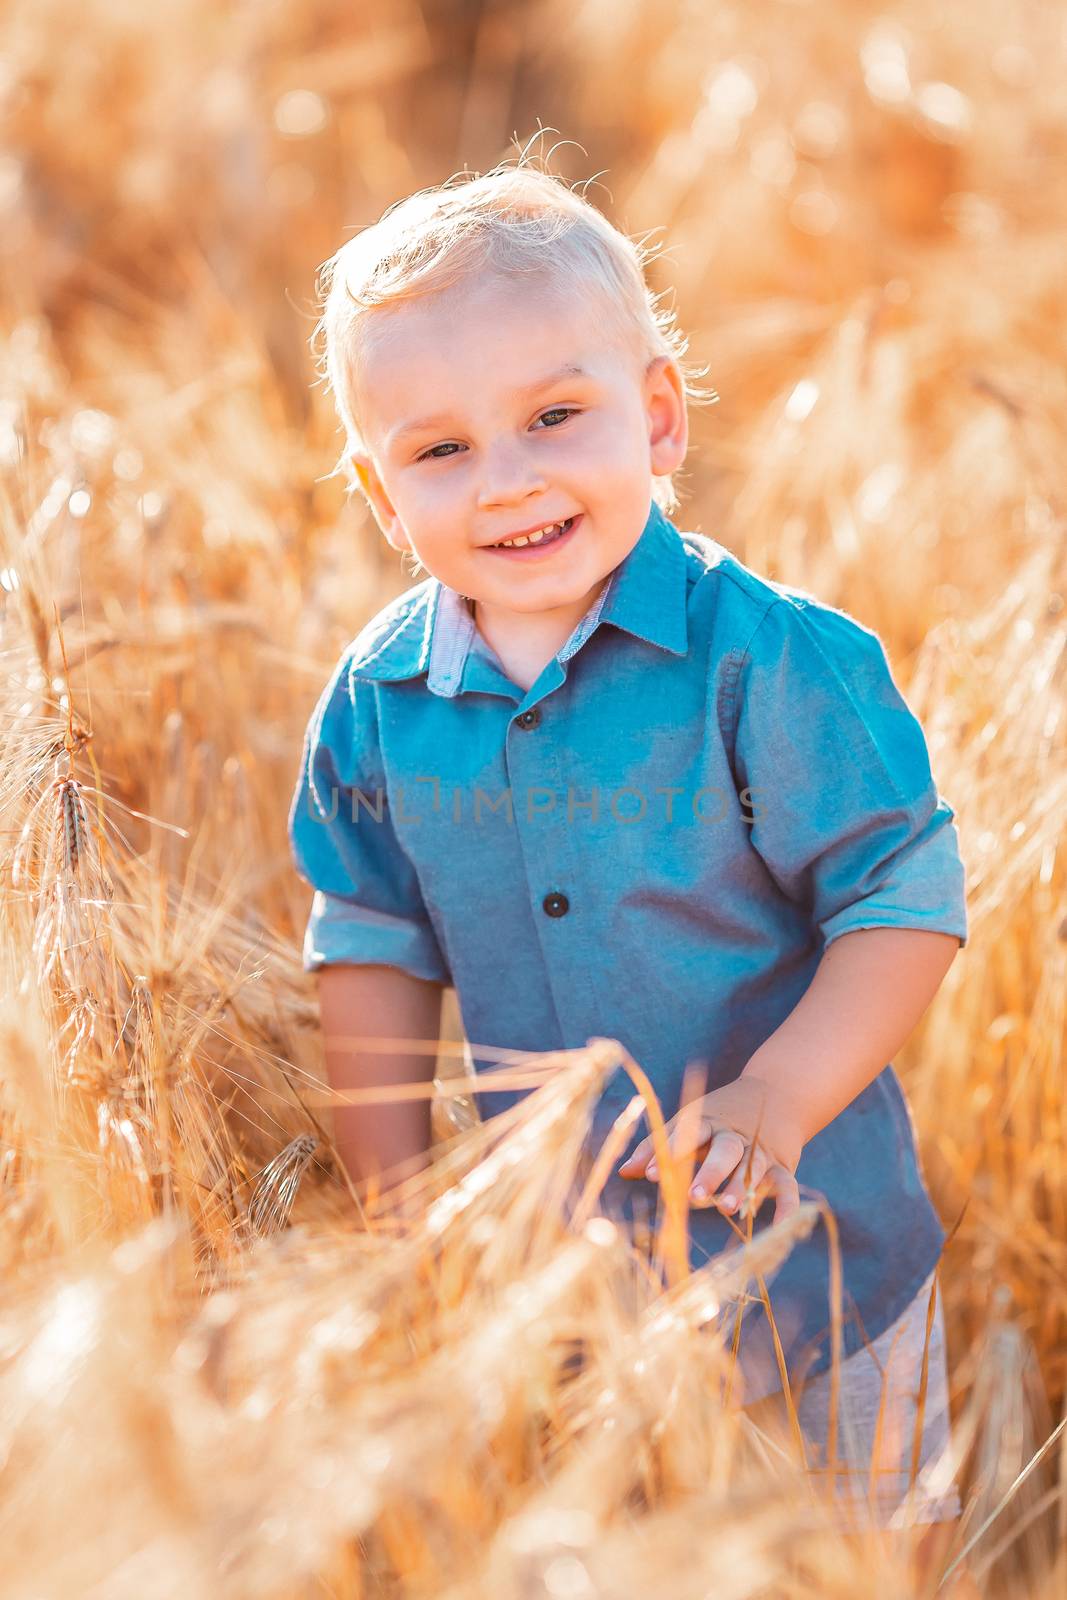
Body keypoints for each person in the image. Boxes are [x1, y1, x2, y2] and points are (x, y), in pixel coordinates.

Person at [286, 159, 970, 1536]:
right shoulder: (377, 703)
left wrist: (779, 1098)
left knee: (865, 1554)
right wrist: (393, 1199)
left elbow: (903, 896)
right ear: (378, 495)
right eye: (440, 450)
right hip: (566, 1298)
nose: (509, 480)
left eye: (554, 415)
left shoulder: (766, 660)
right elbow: (368, 934)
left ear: (656, 414)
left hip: (816, 1262)